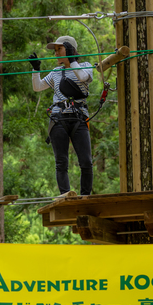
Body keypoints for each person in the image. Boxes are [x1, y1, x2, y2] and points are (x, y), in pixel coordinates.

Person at [29, 35, 94, 196]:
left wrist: (72, 60)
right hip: (58, 118)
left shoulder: (85, 66)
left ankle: (85, 196)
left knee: (86, 162)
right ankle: (66, 195)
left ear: (70, 49)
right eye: (55, 50)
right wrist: (36, 70)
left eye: (59, 49)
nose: (56, 53)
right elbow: (37, 87)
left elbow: (83, 77)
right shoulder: (56, 72)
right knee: (61, 162)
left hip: (78, 117)